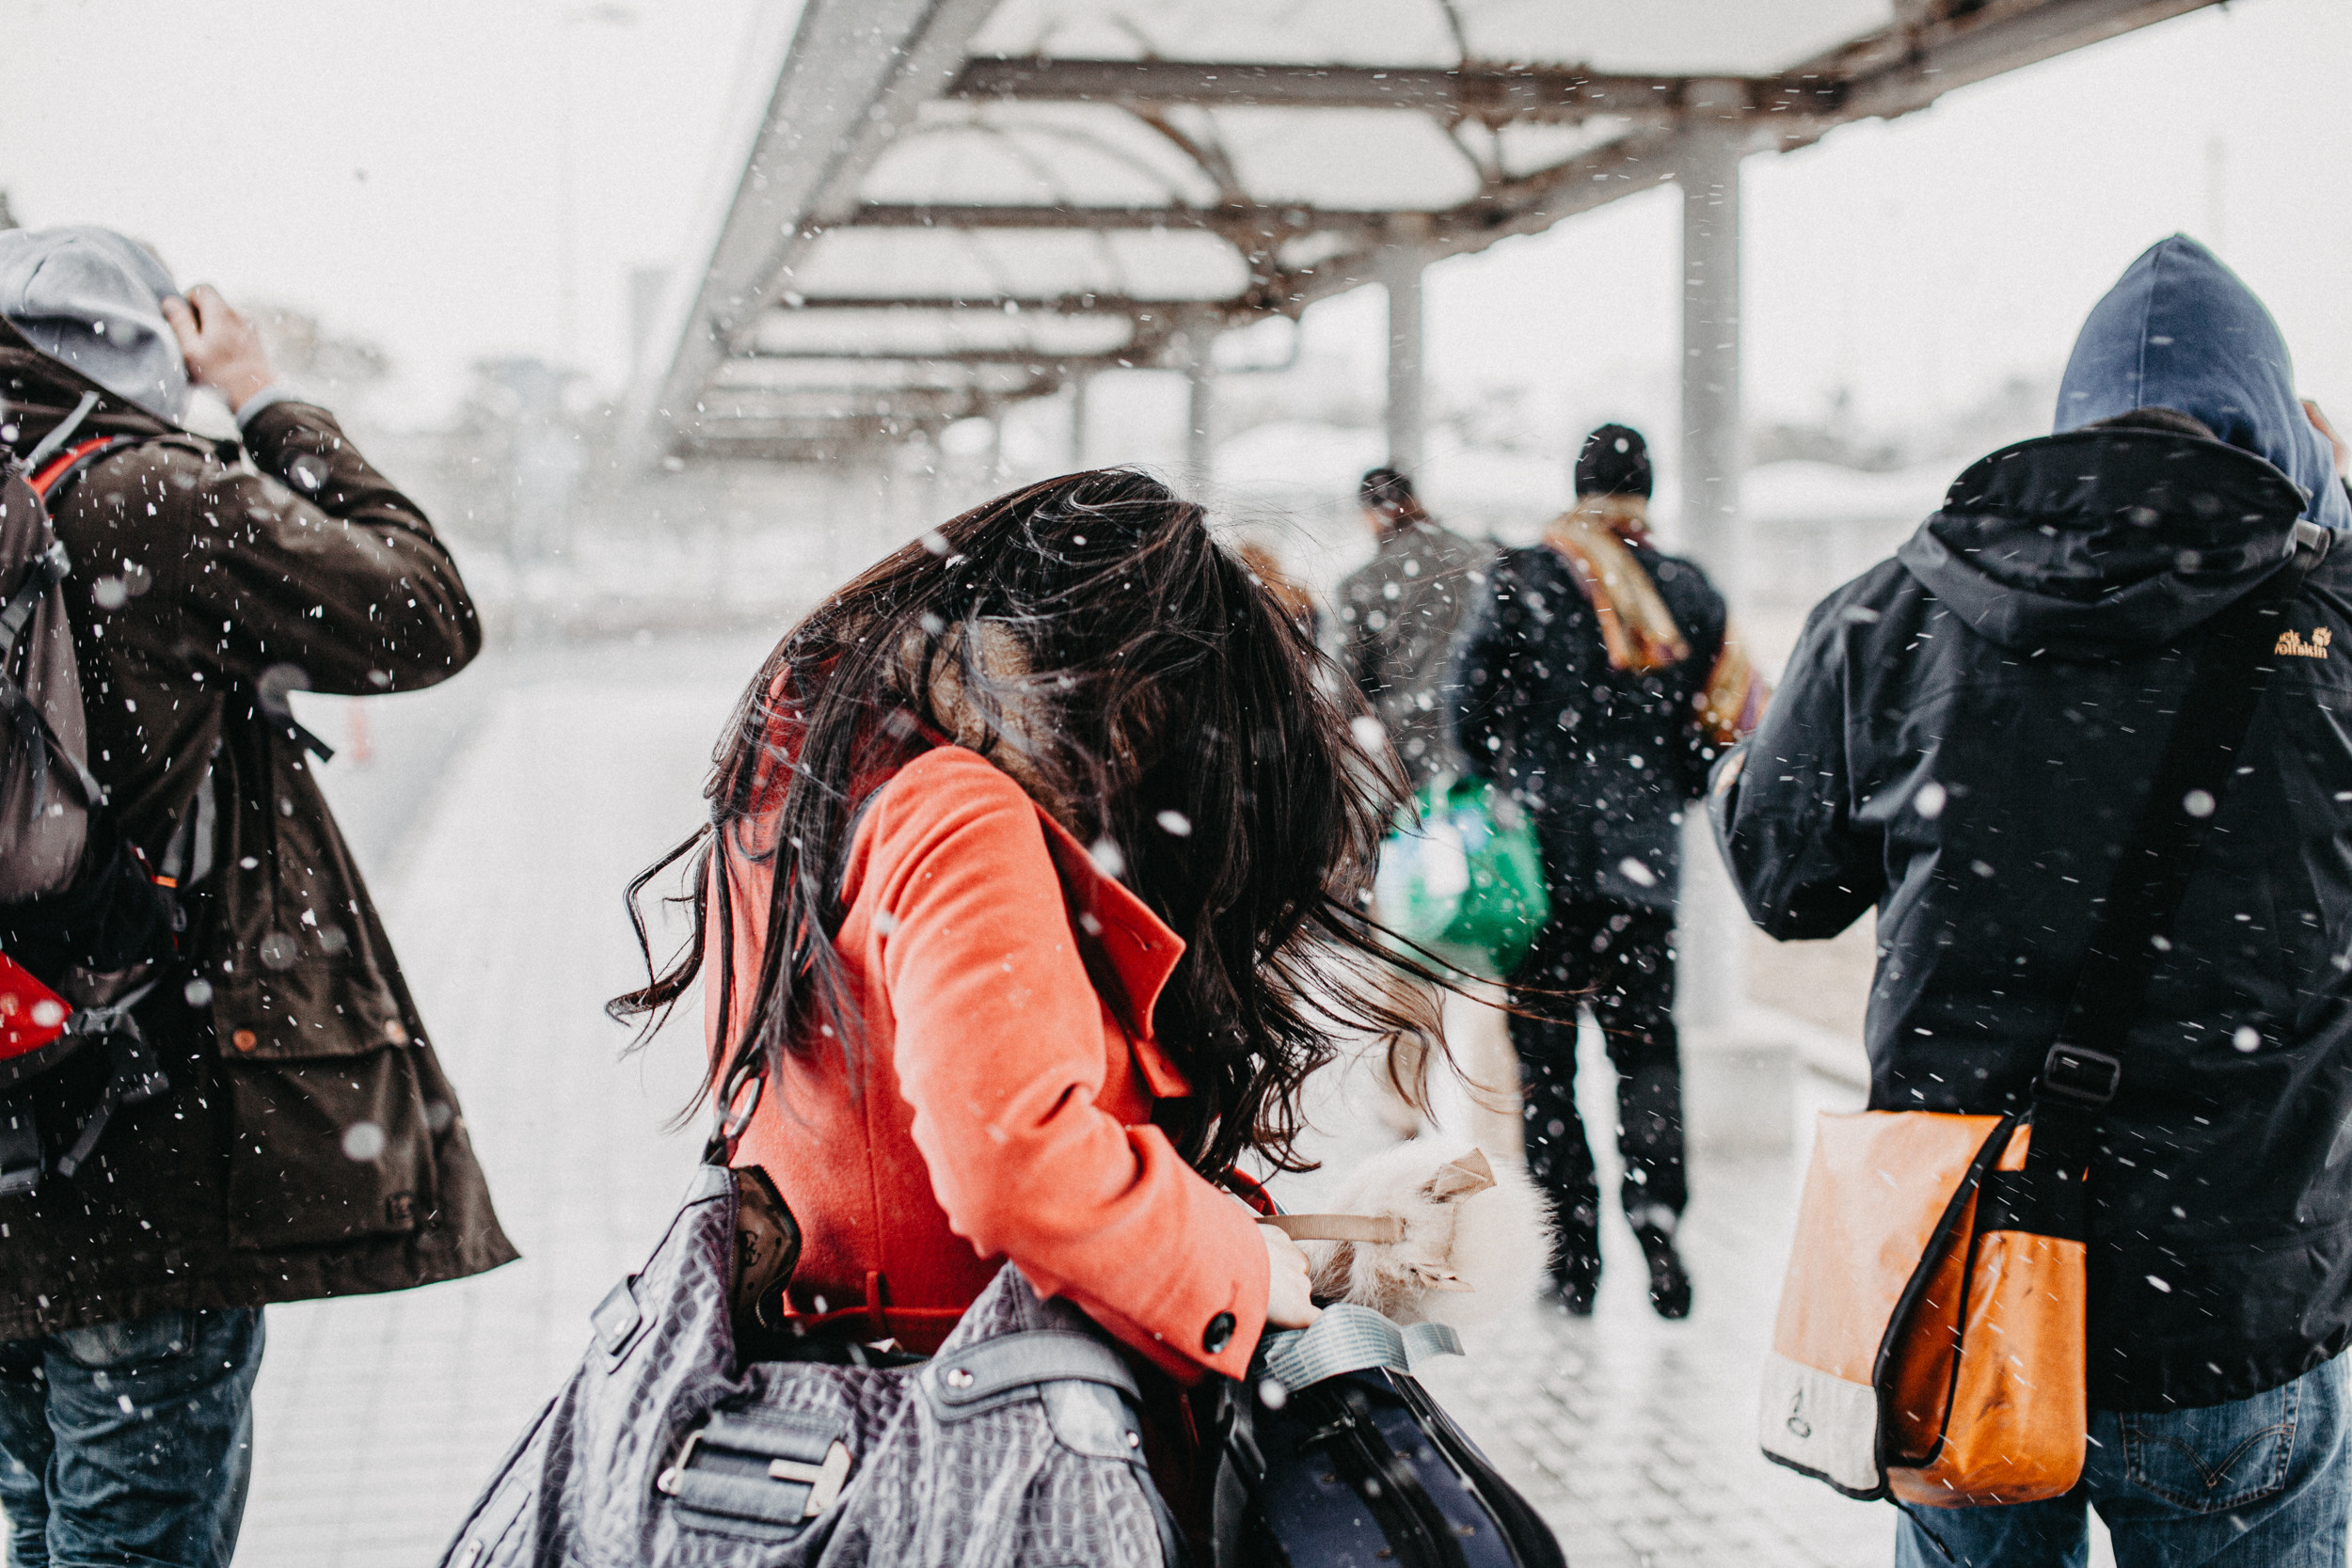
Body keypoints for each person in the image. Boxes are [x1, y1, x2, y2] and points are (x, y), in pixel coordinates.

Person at [612, 468, 1444, 1537]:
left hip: (840, 1396)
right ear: (1131, 690)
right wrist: (1235, 1262)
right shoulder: (961, 811)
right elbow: (1016, 1154)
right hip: (991, 1437)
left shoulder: (832, 776)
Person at [1711, 235, 2352, 1565]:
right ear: (2274, 425)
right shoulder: (2332, 626)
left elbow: (1783, 882)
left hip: (1964, 1287)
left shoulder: (1896, 608)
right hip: (2234, 1297)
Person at [0, 228, 512, 1567]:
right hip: (144, 1122)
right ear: (137, 342)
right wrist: (266, 395)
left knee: (43, 1517)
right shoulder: (143, 498)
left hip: (6, 1119)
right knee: (126, 1536)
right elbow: (426, 609)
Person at [1451, 424, 1747, 1320]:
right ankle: (1657, 1220)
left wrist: (1513, 778)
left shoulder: (1525, 578)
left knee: (1547, 1071)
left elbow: (1468, 713)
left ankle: (1570, 1259)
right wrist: (1656, 795)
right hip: (1641, 875)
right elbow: (1716, 735)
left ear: (1578, 484)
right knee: (1645, 1051)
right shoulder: (1688, 591)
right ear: (1647, 491)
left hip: (1535, 876)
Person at [1335, 467, 1486, 788]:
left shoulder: (1362, 584)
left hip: (1405, 754)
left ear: (1371, 514)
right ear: (1415, 500)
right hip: (1479, 738)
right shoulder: (1480, 560)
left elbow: (1344, 686)